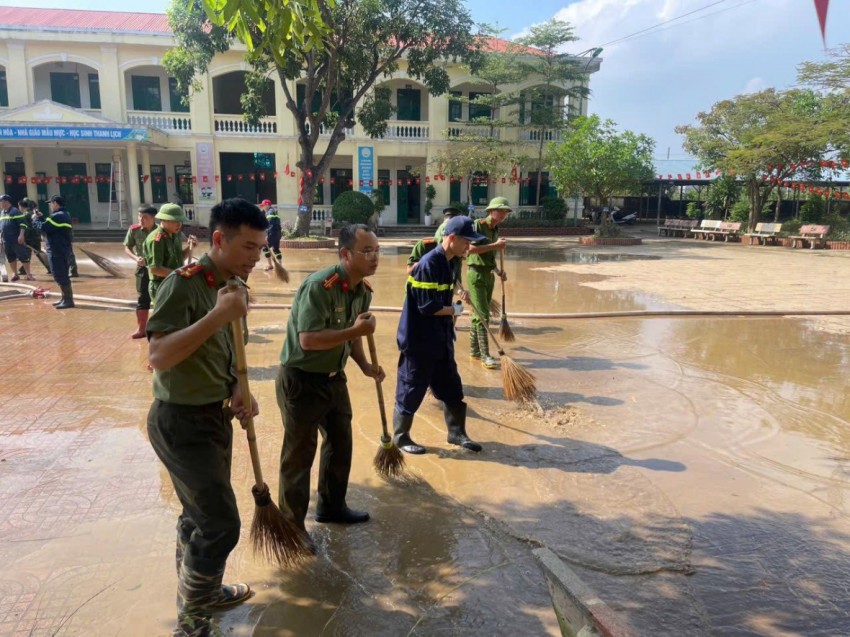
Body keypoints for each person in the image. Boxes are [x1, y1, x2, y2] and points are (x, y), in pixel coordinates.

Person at [146, 198, 268, 637]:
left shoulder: (235, 284)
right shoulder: (185, 285)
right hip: (179, 422)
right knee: (220, 525)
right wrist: (218, 315)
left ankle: (203, 592)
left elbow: (233, 346)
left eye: (260, 248)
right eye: (249, 247)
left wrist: (238, 387)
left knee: (197, 516)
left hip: (214, 416)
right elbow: (158, 355)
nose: (256, 257)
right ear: (219, 239)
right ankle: (192, 621)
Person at [276, 223, 384, 532]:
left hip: (335, 379)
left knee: (340, 443)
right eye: (367, 251)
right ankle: (292, 528)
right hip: (302, 379)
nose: (374, 257)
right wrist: (355, 331)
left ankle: (332, 507)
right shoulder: (320, 286)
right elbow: (309, 339)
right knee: (299, 456)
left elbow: (353, 336)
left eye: (377, 251)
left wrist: (364, 365)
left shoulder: (362, 290)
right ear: (345, 254)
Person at [393, 215, 485, 455]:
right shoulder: (429, 263)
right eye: (467, 241)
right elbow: (427, 307)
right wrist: (454, 310)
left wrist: (458, 294)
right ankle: (400, 438)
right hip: (419, 340)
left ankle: (456, 433)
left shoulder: (450, 261)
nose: (470, 246)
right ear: (451, 238)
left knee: (451, 386)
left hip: (441, 338)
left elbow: (445, 291)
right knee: (411, 388)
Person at [466, 196, 510, 369]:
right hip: (475, 275)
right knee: (483, 316)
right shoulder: (478, 225)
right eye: (500, 211)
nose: (503, 214)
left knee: (478, 316)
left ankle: (475, 351)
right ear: (491, 211)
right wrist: (495, 246)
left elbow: (490, 256)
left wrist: (499, 272)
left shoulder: (495, 230)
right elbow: (470, 250)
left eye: (505, 212)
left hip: (488, 275)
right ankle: (486, 356)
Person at [143, 203, 198, 304]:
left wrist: (190, 248)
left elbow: (179, 258)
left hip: (175, 283)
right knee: (165, 318)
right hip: (162, 286)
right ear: (164, 220)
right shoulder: (156, 239)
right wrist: (179, 275)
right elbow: (155, 269)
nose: (179, 224)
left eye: (180, 221)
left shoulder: (176, 235)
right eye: (175, 221)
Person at [31, 195, 75, 309]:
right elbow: (49, 226)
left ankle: (68, 301)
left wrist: (35, 219)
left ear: (55, 203)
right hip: (61, 249)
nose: (50, 206)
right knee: (61, 274)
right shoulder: (64, 214)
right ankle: (65, 298)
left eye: (50, 203)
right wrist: (41, 218)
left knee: (59, 275)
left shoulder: (57, 216)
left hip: (57, 250)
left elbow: (43, 228)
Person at [123, 204, 157, 339]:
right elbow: (127, 248)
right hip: (142, 269)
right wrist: (136, 258)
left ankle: (159, 327)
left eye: (145, 217)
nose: (141, 220)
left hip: (158, 268)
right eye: (139, 216)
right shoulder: (134, 230)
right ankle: (141, 328)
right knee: (142, 298)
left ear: (153, 219)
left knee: (160, 297)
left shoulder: (161, 230)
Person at [405, 206, 463, 275]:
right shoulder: (424, 246)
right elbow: (409, 270)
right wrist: (427, 264)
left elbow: (456, 276)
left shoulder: (457, 249)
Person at [0, 194, 30, 282]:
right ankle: (15, 274)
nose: (0, 203)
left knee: (23, 256)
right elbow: (1, 227)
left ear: (6, 201)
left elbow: (23, 224)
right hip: (6, 240)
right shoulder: (2, 212)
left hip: (16, 239)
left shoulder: (15, 211)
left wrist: (21, 235)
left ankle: (28, 274)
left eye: (1, 201)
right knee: (10, 257)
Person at [18, 198, 50, 276]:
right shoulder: (35, 213)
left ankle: (23, 270)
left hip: (29, 238)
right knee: (38, 253)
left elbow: (25, 227)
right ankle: (50, 267)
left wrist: (23, 237)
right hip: (36, 237)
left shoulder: (25, 215)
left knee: (27, 254)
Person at [259, 199, 282, 271]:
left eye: (263, 206)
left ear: (267, 205)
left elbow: (270, 225)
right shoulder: (274, 212)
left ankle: (270, 265)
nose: (262, 207)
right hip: (277, 233)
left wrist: (267, 235)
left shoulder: (269, 212)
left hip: (272, 233)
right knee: (276, 249)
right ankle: (280, 266)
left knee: (265, 248)